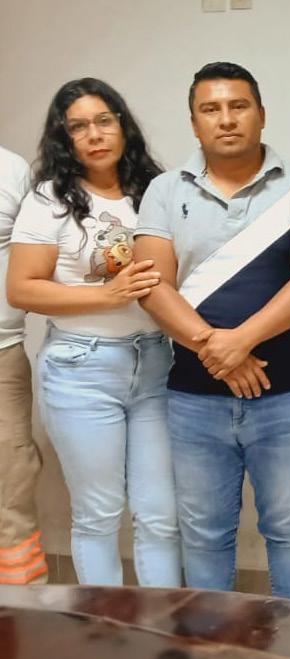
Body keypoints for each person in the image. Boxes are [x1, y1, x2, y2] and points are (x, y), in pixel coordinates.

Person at [133, 61, 290, 602]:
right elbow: (152, 285)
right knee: (204, 534)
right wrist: (217, 348)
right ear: (194, 122)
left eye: (238, 106)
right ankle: (212, 647)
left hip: (285, 395)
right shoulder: (163, 190)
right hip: (194, 399)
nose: (226, 119)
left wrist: (239, 340)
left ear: (261, 114)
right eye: (211, 109)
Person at [7, 78, 179, 587]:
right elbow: (22, 289)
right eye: (78, 127)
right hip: (82, 368)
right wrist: (109, 295)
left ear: (123, 125)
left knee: (161, 515)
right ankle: (104, 629)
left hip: (155, 363)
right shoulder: (49, 199)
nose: (95, 135)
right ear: (64, 138)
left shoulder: (156, 189)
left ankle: (161, 629)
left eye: (104, 121)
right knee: (99, 515)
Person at [0, 144, 47, 586]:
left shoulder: (10, 170)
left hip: (2, 358)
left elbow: (40, 257)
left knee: (11, 488)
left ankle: (21, 609)